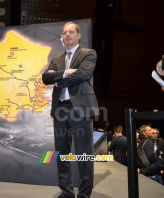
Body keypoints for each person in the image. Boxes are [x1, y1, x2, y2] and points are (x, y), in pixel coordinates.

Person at [42, 22, 99, 198]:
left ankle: (84, 194)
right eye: (65, 32)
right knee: (62, 153)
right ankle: (66, 191)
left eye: (72, 32)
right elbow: (45, 77)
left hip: (80, 109)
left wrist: (58, 79)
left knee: (84, 153)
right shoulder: (57, 59)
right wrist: (66, 72)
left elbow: (83, 74)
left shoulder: (88, 54)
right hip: (60, 109)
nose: (68, 35)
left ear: (78, 35)